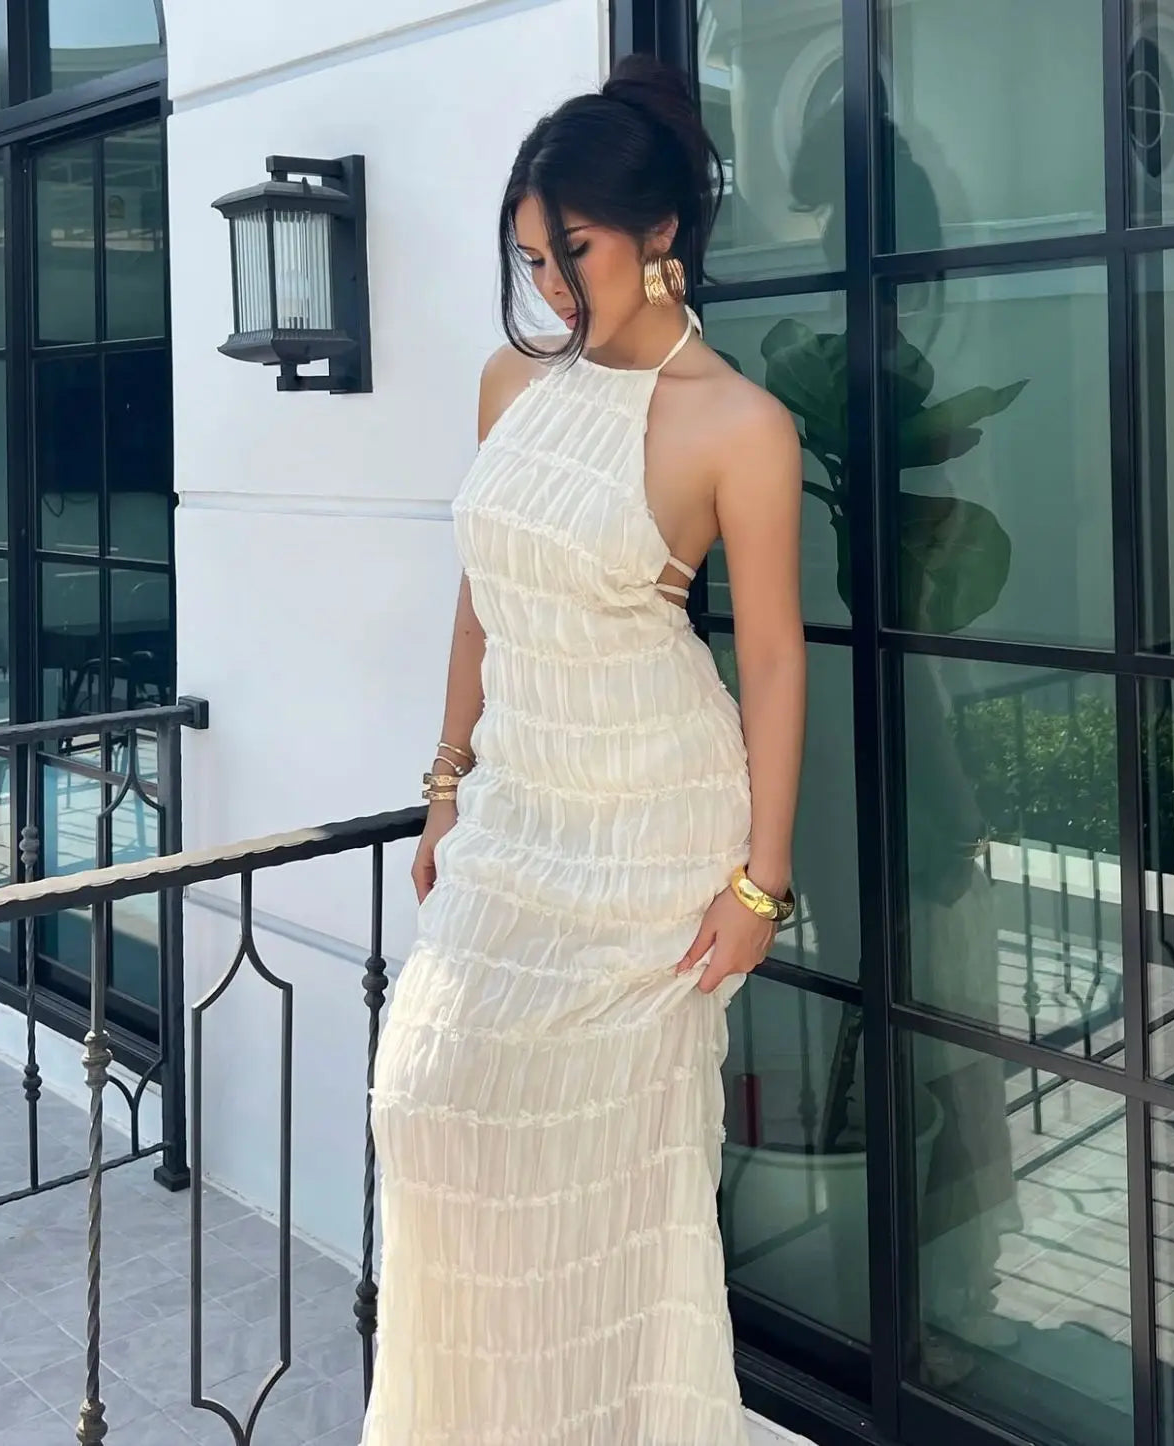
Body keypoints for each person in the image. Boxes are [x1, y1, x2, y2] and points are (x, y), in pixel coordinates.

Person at [362, 53, 806, 1446]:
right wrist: (446, 783)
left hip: (649, 832)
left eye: (577, 252)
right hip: (518, 817)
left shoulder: (738, 423)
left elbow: (774, 658)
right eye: (532, 258)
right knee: (425, 1109)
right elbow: (479, 596)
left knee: (614, 1190)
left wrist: (759, 883)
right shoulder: (512, 382)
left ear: (660, 233)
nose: (552, 285)